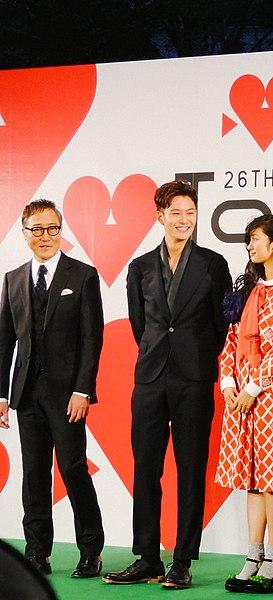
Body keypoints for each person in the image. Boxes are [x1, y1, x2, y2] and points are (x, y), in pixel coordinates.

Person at [103, 180, 231, 589]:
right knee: (146, 469)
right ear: (159, 217)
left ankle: (182, 560)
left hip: (194, 378)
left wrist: (195, 355)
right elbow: (141, 326)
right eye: (175, 213)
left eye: (190, 213)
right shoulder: (139, 267)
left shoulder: (213, 264)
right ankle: (146, 557)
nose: (184, 220)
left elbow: (221, 323)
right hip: (151, 377)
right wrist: (161, 352)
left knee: (191, 470)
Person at [0, 199, 105, 579]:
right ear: (24, 232)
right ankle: (37, 553)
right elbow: (4, 341)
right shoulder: (13, 279)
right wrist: (1, 394)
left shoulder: (83, 276)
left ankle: (91, 551)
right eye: (37, 229)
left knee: (74, 469)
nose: (45, 236)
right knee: (34, 474)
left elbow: (93, 339)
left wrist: (83, 389)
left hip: (67, 396)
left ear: (61, 230)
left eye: (52, 228)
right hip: (27, 393)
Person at [215, 214, 273, 594]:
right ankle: (252, 556)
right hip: (240, 397)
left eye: (256, 239)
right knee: (251, 481)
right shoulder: (248, 289)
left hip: (270, 396)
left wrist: (253, 387)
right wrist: (227, 383)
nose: (251, 247)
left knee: (272, 482)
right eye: (249, 240)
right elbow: (231, 341)